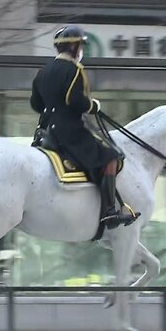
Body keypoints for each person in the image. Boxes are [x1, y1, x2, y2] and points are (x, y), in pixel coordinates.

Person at [30, 25, 138, 229]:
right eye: (80, 46)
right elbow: (75, 100)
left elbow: (35, 104)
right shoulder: (74, 70)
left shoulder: (43, 71)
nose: (81, 51)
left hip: (45, 132)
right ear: (73, 47)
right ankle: (109, 213)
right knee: (111, 158)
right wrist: (93, 106)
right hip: (69, 132)